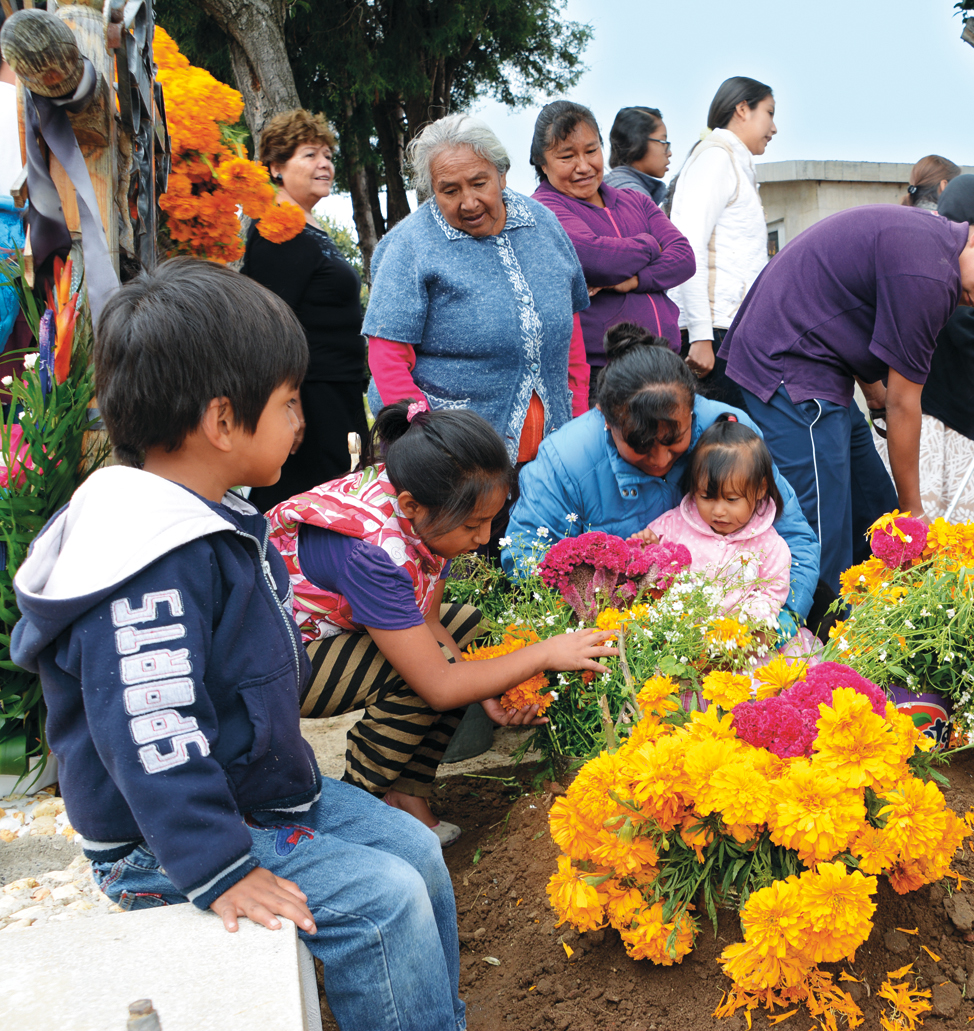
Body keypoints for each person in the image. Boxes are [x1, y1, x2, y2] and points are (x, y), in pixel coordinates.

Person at [10, 258, 466, 1030]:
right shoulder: (145, 560)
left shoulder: (195, 512)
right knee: (381, 903)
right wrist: (222, 869)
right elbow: (151, 730)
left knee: (416, 852)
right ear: (223, 423)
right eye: (290, 403)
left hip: (254, 794)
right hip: (166, 839)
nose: (302, 421)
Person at [268, 400, 616, 844]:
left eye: (491, 520)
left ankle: (405, 794)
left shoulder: (424, 505)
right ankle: (359, 808)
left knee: (466, 628)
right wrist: (545, 653)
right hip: (273, 664)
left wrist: (485, 686)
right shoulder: (374, 552)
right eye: (474, 523)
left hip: (329, 633)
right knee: (416, 675)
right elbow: (438, 685)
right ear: (413, 506)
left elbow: (429, 615)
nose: (484, 537)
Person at [721, 206, 974, 593]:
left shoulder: (935, 245)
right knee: (821, 531)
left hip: (823, 365)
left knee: (877, 512)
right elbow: (904, 403)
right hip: (788, 364)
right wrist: (914, 510)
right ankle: (816, 643)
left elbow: (848, 312)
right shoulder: (930, 273)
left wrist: (873, 394)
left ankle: (880, 620)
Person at [504, 324, 820, 628]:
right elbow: (526, 560)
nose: (659, 460)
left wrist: (780, 622)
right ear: (605, 417)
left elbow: (794, 536)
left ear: (692, 411)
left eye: (674, 441)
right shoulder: (566, 461)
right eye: (640, 446)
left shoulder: (731, 435)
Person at [363, 113, 590, 470]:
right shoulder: (410, 245)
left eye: (479, 183)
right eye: (449, 191)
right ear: (432, 189)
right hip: (453, 460)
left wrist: (577, 423)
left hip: (552, 450)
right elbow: (387, 358)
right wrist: (425, 437)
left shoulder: (544, 225)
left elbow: (570, 339)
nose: (468, 203)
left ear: (502, 174)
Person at [872, 173, 974, 522]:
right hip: (938, 409)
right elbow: (963, 324)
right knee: (938, 507)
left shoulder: (939, 252)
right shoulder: (951, 267)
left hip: (924, 402)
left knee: (930, 505)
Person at [243, 109, 367, 511]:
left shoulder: (306, 224)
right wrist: (289, 405)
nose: (325, 164)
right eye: (310, 154)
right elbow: (268, 324)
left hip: (335, 394)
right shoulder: (278, 229)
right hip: (310, 400)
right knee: (305, 513)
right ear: (276, 167)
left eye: (328, 155)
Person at [531, 100, 694, 391]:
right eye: (567, 156)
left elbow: (684, 257)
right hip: (605, 376)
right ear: (542, 163)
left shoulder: (635, 200)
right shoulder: (545, 209)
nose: (584, 166)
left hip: (666, 362)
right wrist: (649, 243)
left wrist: (634, 280)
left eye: (591, 151)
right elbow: (597, 259)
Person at [668, 76, 775, 408]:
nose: (774, 127)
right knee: (723, 448)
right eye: (770, 113)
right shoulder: (716, 158)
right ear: (743, 109)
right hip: (713, 333)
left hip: (731, 331)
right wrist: (701, 336)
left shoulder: (735, 161)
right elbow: (688, 246)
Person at [636, 419, 790, 622]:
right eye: (706, 497)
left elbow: (772, 594)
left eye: (731, 499)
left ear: (761, 489)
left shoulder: (769, 546)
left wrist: (740, 627)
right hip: (678, 639)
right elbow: (644, 572)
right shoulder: (672, 526)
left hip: (738, 645)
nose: (718, 511)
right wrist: (650, 550)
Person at [605, 106, 672, 205]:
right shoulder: (634, 196)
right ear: (637, 142)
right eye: (663, 142)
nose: (669, 153)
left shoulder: (612, 185)